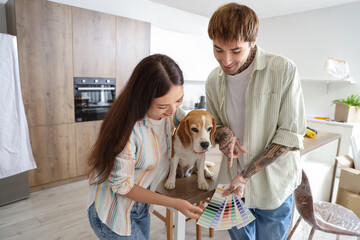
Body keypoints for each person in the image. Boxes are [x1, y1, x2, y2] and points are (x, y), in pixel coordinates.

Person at [205, 3, 306, 240]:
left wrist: (246, 175)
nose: (226, 60)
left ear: (253, 41)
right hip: (230, 184)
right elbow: (215, 126)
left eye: (236, 51)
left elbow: (290, 136)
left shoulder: (283, 70)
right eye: (218, 50)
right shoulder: (213, 79)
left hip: (272, 187)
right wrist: (224, 134)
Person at [87, 54, 204, 239]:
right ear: (143, 98)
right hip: (115, 211)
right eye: (162, 105)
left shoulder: (168, 114)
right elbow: (123, 187)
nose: (173, 110)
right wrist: (174, 203)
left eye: (179, 100)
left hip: (142, 206)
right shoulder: (126, 131)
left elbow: (190, 122)